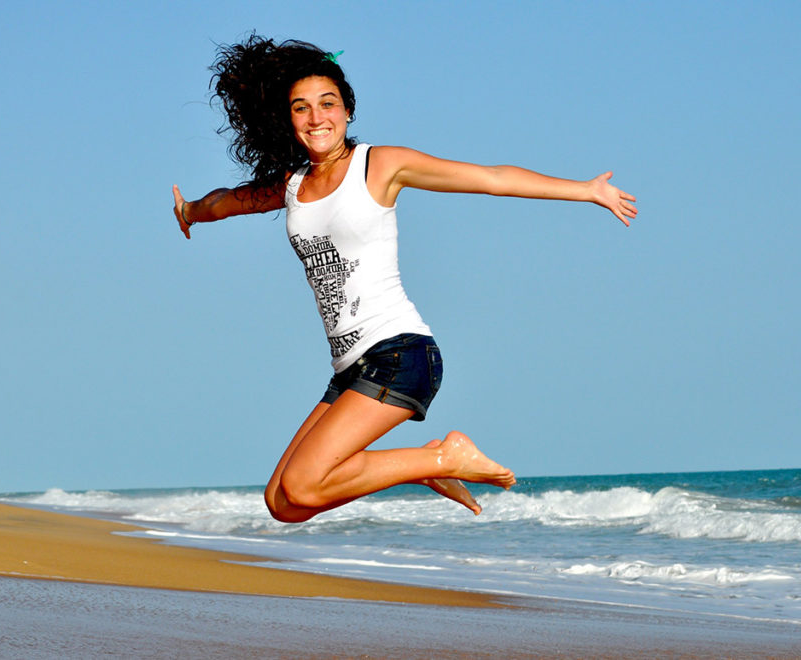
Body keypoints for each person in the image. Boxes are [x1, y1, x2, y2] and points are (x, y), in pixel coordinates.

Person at [172, 36, 637, 523]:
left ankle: (443, 457)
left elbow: (490, 178)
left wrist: (585, 191)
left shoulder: (379, 166)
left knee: (305, 484)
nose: (316, 118)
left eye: (327, 104)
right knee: (283, 502)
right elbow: (227, 201)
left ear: (347, 110)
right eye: (301, 108)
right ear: (287, 120)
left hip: (399, 354)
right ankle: (424, 465)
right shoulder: (293, 186)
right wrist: (190, 211)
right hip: (351, 367)